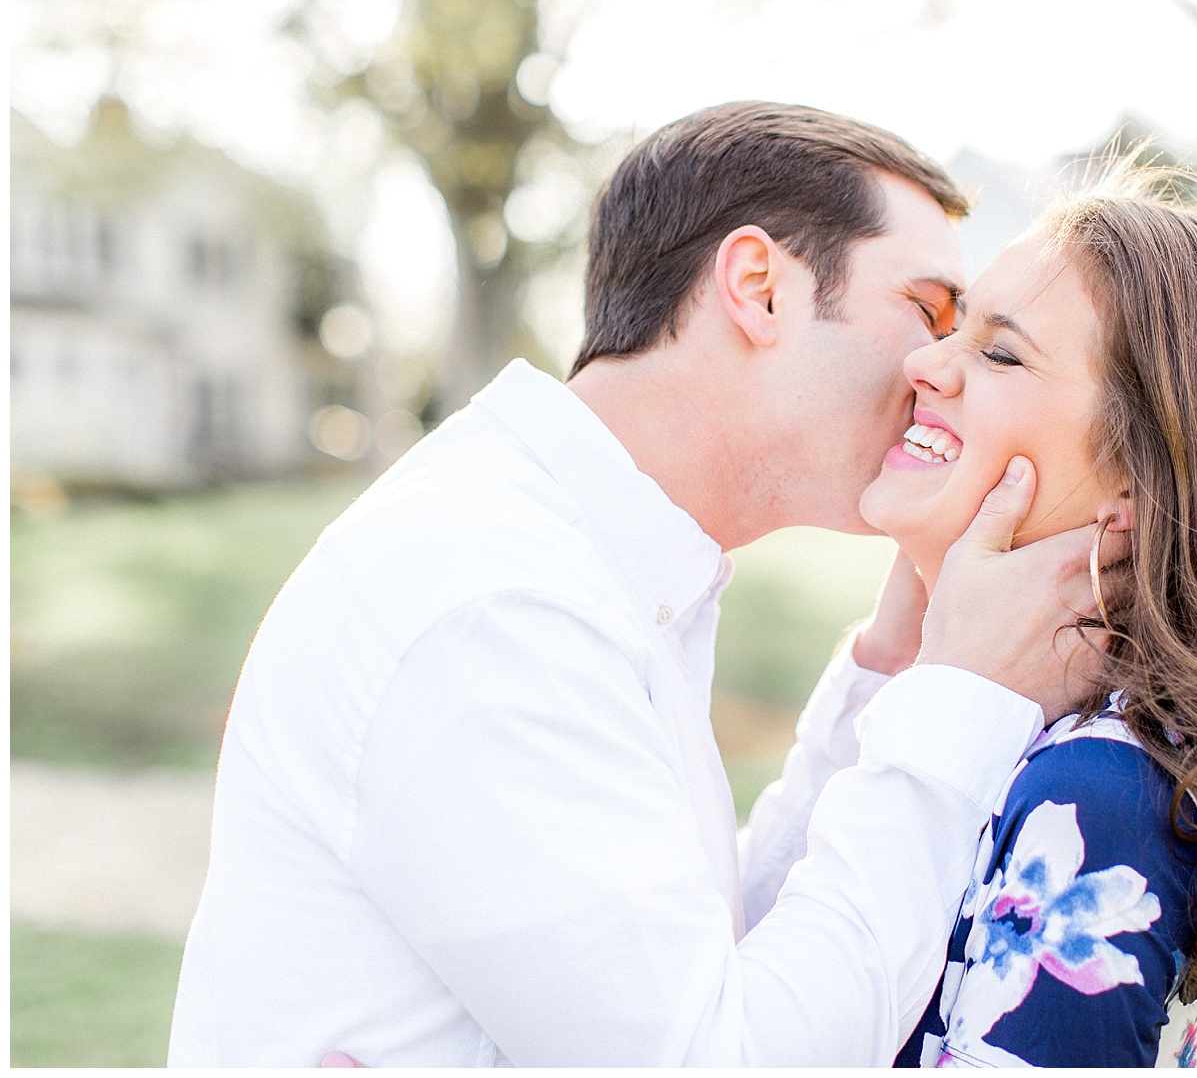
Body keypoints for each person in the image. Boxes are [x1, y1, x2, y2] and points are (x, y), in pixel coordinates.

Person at [167, 103, 1114, 1067]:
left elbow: (694, 968)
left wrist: (892, 670)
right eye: (927, 311)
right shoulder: (496, 603)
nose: (935, 368)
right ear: (760, 287)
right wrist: (961, 703)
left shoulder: (582, 566)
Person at [818, 165, 1197, 1066]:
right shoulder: (1006, 725)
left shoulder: (1104, 794)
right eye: (952, 328)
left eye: (1000, 352)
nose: (924, 363)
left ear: (1144, 477)